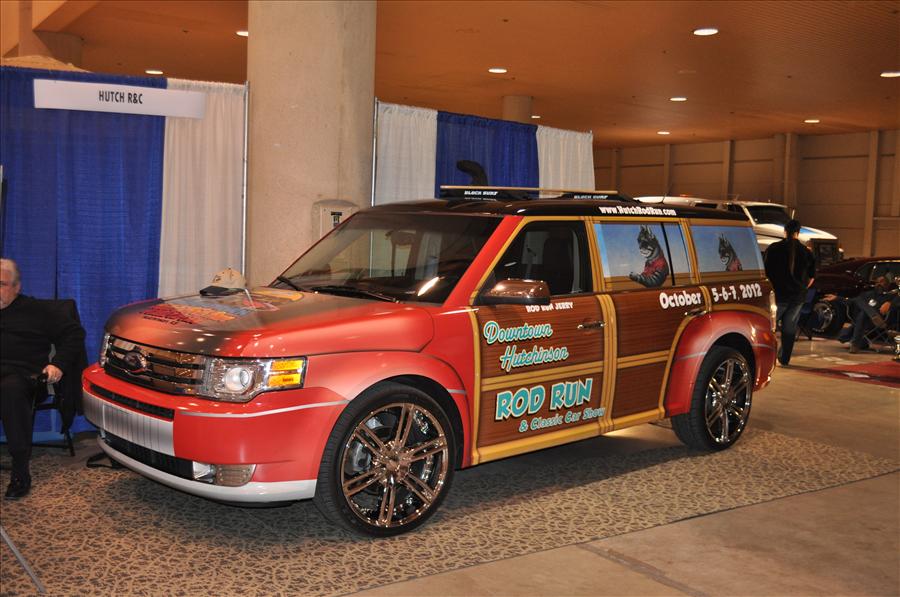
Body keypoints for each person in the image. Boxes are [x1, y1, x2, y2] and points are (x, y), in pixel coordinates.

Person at [1, 258, 86, 499]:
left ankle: (20, 471)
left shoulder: (37, 311)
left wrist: (57, 364)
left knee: (10, 391)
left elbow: (74, 334)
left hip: (23, 378)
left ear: (16, 287)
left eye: (1, 284)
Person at [764, 219, 816, 366]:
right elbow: (811, 278)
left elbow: (765, 273)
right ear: (798, 233)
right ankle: (784, 358)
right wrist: (802, 287)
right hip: (797, 297)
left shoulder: (773, 249)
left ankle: (766, 356)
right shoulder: (807, 253)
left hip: (778, 295)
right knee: (789, 328)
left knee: (769, 327)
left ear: (784, 232)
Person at [846, 276, 900, 353]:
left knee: (862, 312)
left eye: (881, 282)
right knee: (859, 301)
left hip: (882, 320)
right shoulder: (869, 294)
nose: (879, 284)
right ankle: (872, 314)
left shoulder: (891, 296)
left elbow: (897, 304)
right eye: (877, 282)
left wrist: (890, 303)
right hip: (868, 320)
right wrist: (837, 298)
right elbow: (850, 301)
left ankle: (855, 344)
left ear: (888, 284)